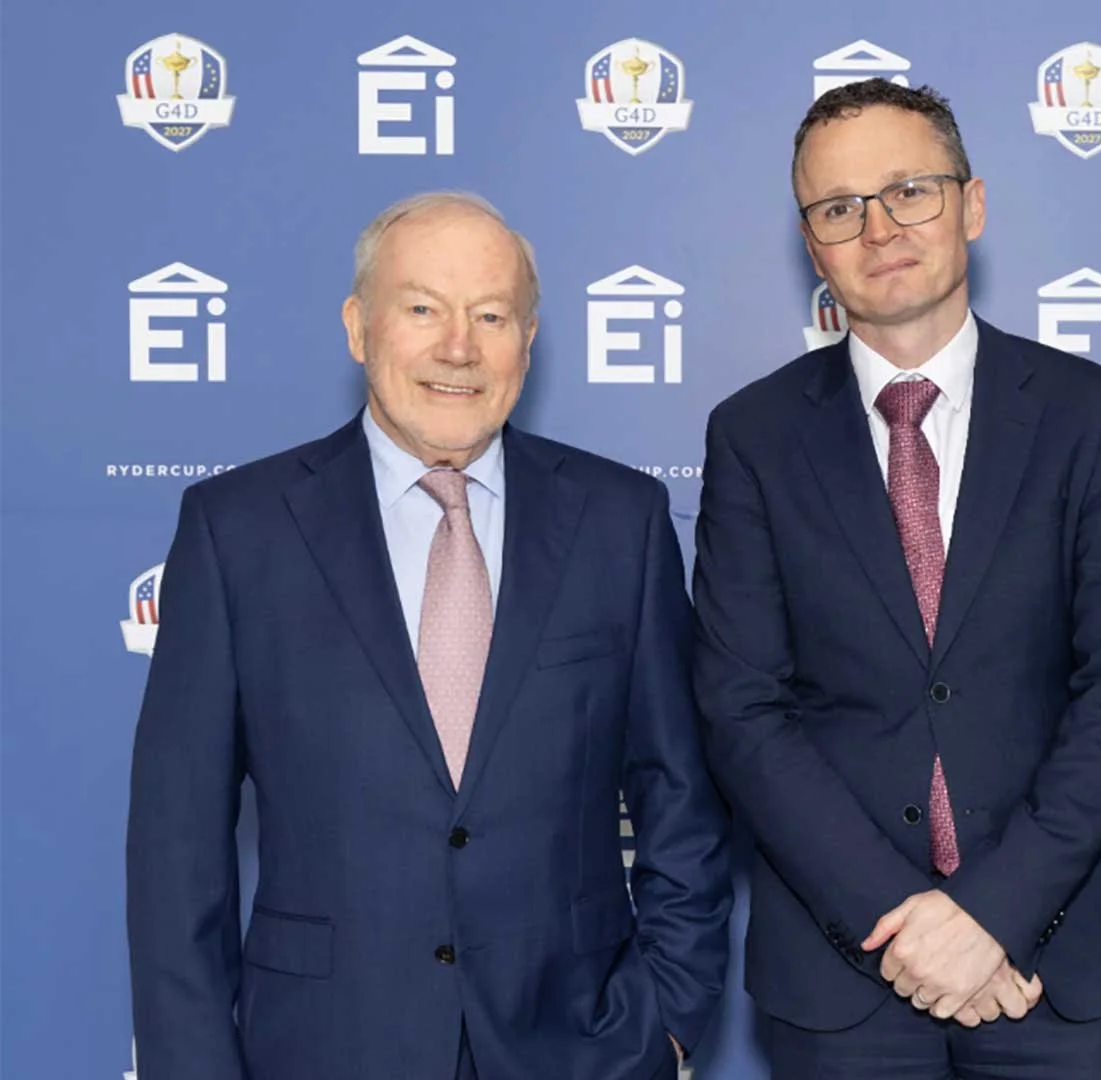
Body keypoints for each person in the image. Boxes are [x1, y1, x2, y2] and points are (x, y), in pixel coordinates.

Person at [125, 191, 731, 1080]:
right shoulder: (237, 530)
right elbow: (177, 848)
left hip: (578, 1048)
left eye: (491, 315)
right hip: (322, 1050)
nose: (459, 347)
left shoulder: (619, 520)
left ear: (528, 340)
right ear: (358, 327)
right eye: (422, 309)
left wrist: (667, 1023)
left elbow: (682, 797)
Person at [691, 79, 1101, 1078]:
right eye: (838, 209)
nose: (878, 227)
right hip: (844, 978)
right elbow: (744, 709)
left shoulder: (1089, 415)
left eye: (908, 190)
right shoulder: (753, 438)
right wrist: (913, 930)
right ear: (811, 244)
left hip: (1061, 970)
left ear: (972, 204)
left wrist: (990, 915)